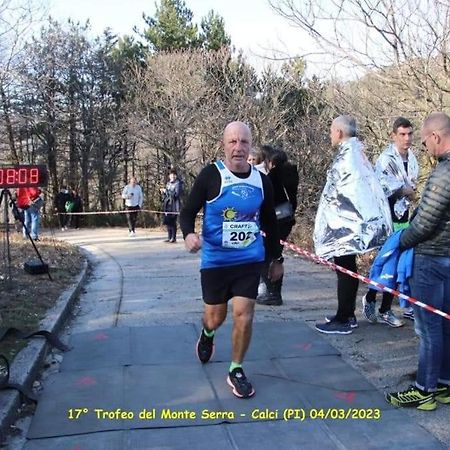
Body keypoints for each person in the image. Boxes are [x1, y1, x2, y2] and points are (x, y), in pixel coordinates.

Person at [180, 121, 283, 399]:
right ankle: (208, 333)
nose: (238, 148)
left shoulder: (261, 181)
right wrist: (189, 235)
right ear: (224, 145)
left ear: (251, 146)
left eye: (244, 142)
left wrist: (276, 258)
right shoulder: (211, 175)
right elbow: (187, 212)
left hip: (249, 260)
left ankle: (236, 369)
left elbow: (271, 222)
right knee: (216, 317)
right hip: (215, 261)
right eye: (233, 142)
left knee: (244, 315)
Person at [386, 112, 450, 411]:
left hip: (432, 259)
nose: (424, 147)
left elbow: (425, 223)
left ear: (436, 137)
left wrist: (400, 242)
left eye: (424, 141)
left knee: (428, 328)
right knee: (445, 325)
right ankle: (444, 384)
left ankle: (424, 389)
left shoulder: (444, 172)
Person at [313, 115, 392, 334]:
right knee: (347, 268)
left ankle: (344, 318)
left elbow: (344, 194)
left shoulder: (348, 157)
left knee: (345, 269)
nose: (330, 135)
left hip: (346, 227)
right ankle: (346, 313)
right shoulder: (356, 154)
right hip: (349, 225)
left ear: (339, 132)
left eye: (331, 130)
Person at [362, 117, 419, 326]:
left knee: (399, 262)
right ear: (394, 136)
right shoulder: (385, 159)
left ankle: (386, 308)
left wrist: (410, 192)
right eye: (402, 134)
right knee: (387, 260)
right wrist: (402, 190)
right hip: (387, 218)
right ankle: (370, 298)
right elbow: (380, 188)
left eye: (410, 134)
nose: (407, 138)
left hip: (404, 217)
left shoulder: (412, 158)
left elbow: (412, 184)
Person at [257, 146, 299, 305]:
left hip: (275, 221)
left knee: (269, 256)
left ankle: (272, 292)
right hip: (287, 219)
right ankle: (272, 291)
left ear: (271, 162)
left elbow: (268, 200)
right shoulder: (291, 173)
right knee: (275, 255)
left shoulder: (273, 177)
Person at [161, 169, 182, 243]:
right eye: (171, 175)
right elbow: (166, 195)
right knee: (167, 220)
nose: (172, 176)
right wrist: (163, 192)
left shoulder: (178, 183)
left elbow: (176, 195)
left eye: (173, 174)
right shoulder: (168, 183)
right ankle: (169, 237)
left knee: (173, 221)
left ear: (176, 176)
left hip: (174, 204)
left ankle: (173, 237)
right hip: (167, 204)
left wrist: (167, 191)